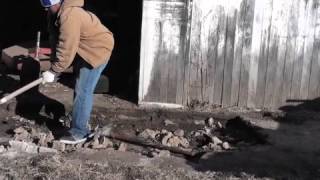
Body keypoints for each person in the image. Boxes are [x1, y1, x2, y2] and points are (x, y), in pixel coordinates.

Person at [39, 0, 114, 144]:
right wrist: (54, 68)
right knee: (79, 86)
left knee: (83, 89)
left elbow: (67, 46)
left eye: (48, 6)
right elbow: (57, 41)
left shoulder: (70, 16)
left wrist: (55, 70)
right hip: (83, 49)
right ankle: (78, 120)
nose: (46, 10)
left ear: (57, 3)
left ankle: (80, 132)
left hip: (97, 50)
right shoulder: (54, 14)